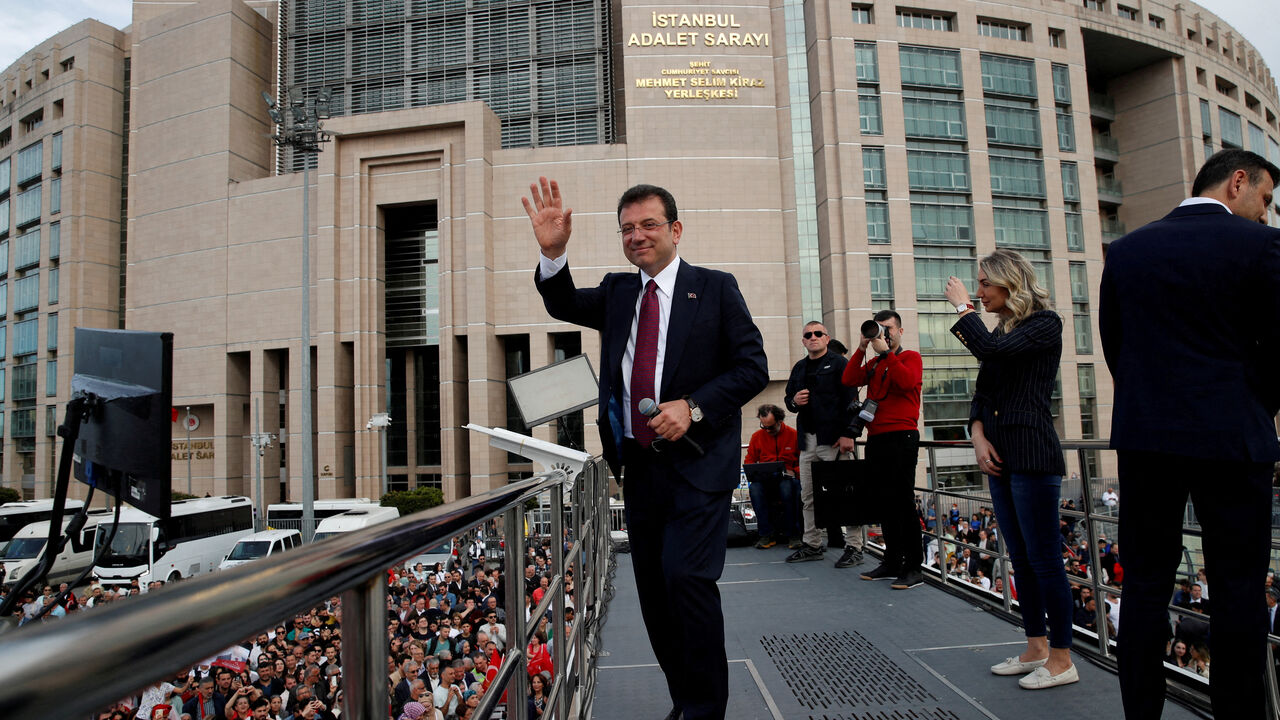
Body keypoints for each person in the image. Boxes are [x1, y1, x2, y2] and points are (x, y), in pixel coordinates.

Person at [526, 177, 769, 720]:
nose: (638, 236)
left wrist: (694, 408)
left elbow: (753, 367)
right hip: (638, 470)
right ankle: (685, 700)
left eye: (649, 225)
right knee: (657, 599)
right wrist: (552, 253)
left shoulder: (715, 288)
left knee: (688, 579)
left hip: (699, 466)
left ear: (676, 229)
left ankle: (706, 710)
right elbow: (562, 301)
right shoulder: (617, 292)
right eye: (628, 228)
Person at [1099, 149, 1280, 720]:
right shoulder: (1261, 247)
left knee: (1146, 587)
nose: (1266, 214)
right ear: (1238, 181)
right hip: (1233, 440)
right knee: (1240, 591)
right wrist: (1254, 404)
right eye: (1266, 201)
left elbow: (1115, 347)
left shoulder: (1126, 251)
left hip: (1147, 439)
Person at [945, 248, 1077, 690]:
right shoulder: (1003, 330)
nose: (979, 292)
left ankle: (1062, 658)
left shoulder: (1044, 323)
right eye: (977, 287)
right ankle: (1036, 646)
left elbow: (990, 351)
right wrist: (978, 437)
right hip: (999, 455)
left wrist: (963, 308)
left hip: (1033, 454)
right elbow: (982, 394)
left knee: (1044, 560)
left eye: (984, 284)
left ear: (1009, 283)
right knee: (1020, 556)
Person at [840, 309, 924, 588]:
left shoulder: (909, 357)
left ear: (900, 331)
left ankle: (913, 567)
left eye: (889, 328)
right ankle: (891, 561)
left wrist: (887, 353)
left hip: (902, 436)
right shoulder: (875, 363)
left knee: (902, 501)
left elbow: (906, 383)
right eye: (880, 329)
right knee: (883, 502)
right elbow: (849, 380)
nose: (885, 334)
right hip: (876, 438)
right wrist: (863, 347)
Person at [783, 320, 863, 567]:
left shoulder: (840, 364)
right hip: (807, 441)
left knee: (845, 495)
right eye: (808, 335)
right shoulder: (799, 368)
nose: (813, 337)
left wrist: (850, 433)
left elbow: (853, 401)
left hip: (834, 440)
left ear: (827, 338)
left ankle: (855, 547)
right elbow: (788, 400)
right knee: (808, 496)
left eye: (818, 333)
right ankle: (812, 544)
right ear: (803, 340)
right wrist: (795, 400)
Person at [743, 404, 800, 549]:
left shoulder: (794, 435)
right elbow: (749, 460)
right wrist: (754, 472)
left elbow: (803, 461)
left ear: (780, 421)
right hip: (765, 479)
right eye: (764, 427)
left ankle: (793, 534)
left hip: (787, 478)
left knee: (787, 488)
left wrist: (794, 471)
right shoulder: (757, 437)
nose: (767, 430)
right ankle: (765, 535)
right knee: (755, 489)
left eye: (771, 427)